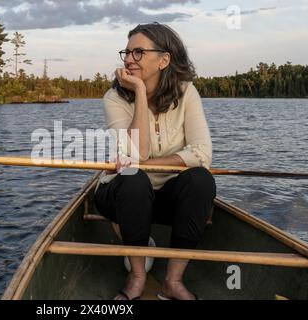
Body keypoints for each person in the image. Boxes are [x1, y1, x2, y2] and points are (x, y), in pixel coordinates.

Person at [94, 22, 216, 300]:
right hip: (120, 195)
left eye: (138, 52)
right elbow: (136, 156)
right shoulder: (114, 97)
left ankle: (173, 281)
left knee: (200, 180)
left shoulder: (187, 92)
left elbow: (202, 153)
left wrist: (159, 163)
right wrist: (138, 91)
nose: (128, 59)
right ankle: (137, 275)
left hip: (165, 200)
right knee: (133, 178)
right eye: (126, 52)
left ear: (164, 60)